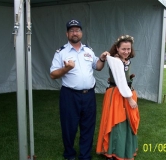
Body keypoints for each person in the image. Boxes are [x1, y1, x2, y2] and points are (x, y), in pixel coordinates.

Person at [50, 19, 109, 160]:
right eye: (71, 30)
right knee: (69, 127)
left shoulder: (88, 50)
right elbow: (53, 74)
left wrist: (101, 58)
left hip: (88, 95)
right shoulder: (61, 52)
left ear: (81, 33)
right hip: (70, 95)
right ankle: (69, 154)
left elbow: (98, 67)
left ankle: (85, 155)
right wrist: (67, 68)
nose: (75, 33)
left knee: (88, 126)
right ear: (67, 34)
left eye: (77, 30)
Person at [96, 35, 140, 160]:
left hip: (123, 91)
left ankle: (123, 149)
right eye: (123, 49)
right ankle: (113, 152)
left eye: (128, 49)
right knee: (117, 122)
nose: (126, 52)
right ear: (117, 48)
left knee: (125, 122)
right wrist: (129, 98)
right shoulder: (115, 60)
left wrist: (129, 77)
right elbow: (120, 82)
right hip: (118, 94)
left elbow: (122, 77)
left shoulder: (124, 60)